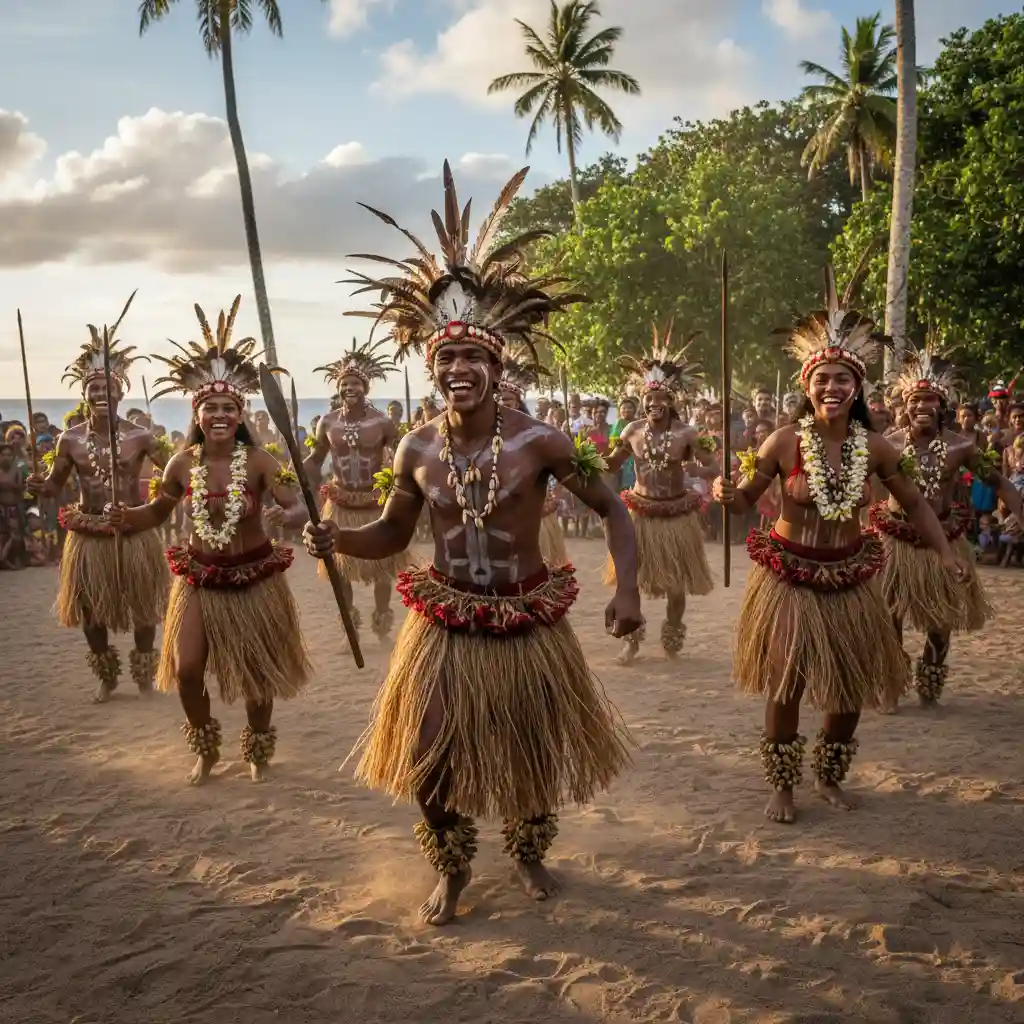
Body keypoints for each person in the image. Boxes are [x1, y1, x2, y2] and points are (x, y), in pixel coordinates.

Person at [307, 161, 639, 925]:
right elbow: (394, 531)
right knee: (427, 750)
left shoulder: (544, 442)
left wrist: (624, 590)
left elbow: (614, 511)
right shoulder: (415, 448)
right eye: (446, 359)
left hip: (525, 615)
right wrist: (338, 540)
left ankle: (526, 854)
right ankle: (451, 868)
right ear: (432, 370)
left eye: (473, 359)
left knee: (526, 752)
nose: (459, 369)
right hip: (445, 620)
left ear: (496, 366)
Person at [714, 268, 965, 824]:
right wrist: (726, 491)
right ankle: (782, 785)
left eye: (842, 379)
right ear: (807, 386)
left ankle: (828, 776)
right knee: (787, 677)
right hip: (790, 575)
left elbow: (917, 504)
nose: (831, 388)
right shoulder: (781, 442)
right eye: (821, 378)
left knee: (850, 685)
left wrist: (946, 554)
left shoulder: (876, 448)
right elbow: (744, 501)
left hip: (850, 574)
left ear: (857, 389)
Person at [106, 296, 312, 784]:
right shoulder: (181, 464)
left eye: (228, 408)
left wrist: (296, 511)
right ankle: (206, 746)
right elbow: (157, 511)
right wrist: (124, 515)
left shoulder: (260, 462)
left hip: (254, 577)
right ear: (197, 415)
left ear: (240, 415)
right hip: (200, 577)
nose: (219, 415)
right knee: (187, 669)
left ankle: (257, 750)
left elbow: (294, 502)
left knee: (258, 674)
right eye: (210, 408)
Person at [27, 301, 171, 701]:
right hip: (89, 535)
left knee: (143, 606)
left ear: (121, 391)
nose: (101, 392)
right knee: (90, 610)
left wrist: (154, 502)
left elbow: (175, 472)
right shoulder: (68, 439)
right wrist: (40, 486)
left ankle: (144, 674)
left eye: (108, 387)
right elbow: (55, 487)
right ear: (84, 393)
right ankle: (107, 676)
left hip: (133, 530)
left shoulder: (141, 435)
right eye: (94, 387)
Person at [872, 344, 1021, 707]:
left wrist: (1019, 511)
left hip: (943, 540)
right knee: (888, 613)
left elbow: (998, 483)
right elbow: (860, 487)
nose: (921, 406)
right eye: (915, 400)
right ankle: (891, 680)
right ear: (904, 406)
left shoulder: (961, 447)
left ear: (942, 406)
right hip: (894, 539)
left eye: (930, 400)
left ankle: (931, 674)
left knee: (940, 623)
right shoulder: (888, 444)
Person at [604, 327, 716, 662]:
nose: (655, 404)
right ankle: (632, 641)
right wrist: (585, 460)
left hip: (676, 515)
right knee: (632, 580)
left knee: (677, 586)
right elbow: (612, 464)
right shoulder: (631, 430)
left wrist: (705, 464)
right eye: (649, 398)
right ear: (643, 401)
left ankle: (672, 633)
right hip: (640, 513)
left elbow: (712, 466)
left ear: (672, 401)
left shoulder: (688, 434)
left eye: (661, 398)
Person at [304, 339, 409, 642]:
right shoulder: (326, 423)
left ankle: (381, 618)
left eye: (355, 383)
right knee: (341, 564)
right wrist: (297, 474)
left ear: (366, 388)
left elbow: (401, 457)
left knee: (380, 565)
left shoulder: (383, 423)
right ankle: (348, 617)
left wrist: (402, 484)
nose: (349, 388)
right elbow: (317, 459)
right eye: (344, 384)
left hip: (374, 502)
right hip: (341, 503)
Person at [498, 352, 568, 567]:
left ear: (518, 402)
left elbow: (562, 468)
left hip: (536, 513)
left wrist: (555, 497)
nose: (502, 404)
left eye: (507, 400)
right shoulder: (486, 433)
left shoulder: (537, 433)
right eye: (499, 399)